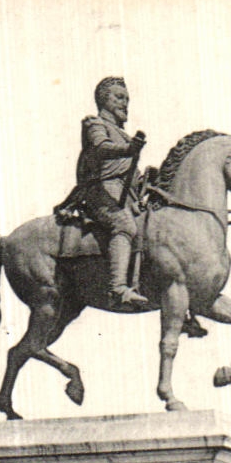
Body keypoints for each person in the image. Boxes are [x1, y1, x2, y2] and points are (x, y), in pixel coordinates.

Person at [75, 76, 148, 306]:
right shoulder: (94, 124)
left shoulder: (124, 135)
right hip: (101, 192)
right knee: (124, 225)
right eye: (119, 97)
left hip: (125, 196)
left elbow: (129, 174)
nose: (124, 103)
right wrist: (128, 149)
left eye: (127, 99)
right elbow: (101, 149)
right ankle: (117, 288)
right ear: (103, 100)